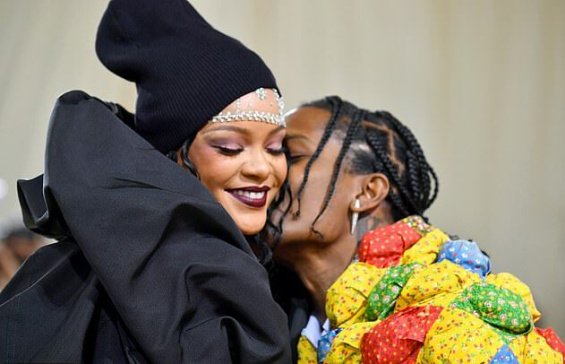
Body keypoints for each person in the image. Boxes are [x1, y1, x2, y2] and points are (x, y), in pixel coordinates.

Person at [0, 0, 291, 363]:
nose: (262, 168)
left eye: (277, 147)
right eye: (229, 147)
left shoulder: (253, 266)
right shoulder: (156, 280)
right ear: (174, 153)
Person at [268, 96, 565, 363]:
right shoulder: (271, 316)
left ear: (368, 191)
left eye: (290, 154)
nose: (267, 169)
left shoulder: (454, 318)